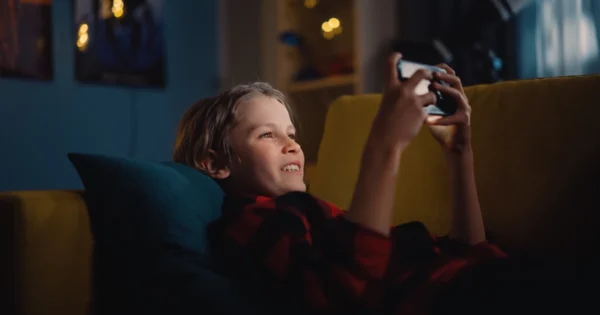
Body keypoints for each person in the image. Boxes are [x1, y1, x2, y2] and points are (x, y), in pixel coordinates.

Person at [173, 53, 527, 315]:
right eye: (267, 134)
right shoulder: (252, 222)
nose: (292, 144)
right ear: (215, 163)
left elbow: (469, 252)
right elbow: (350, 294)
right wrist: (385, 144)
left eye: (292, 134)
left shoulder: (320, 216)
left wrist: (459, 154)